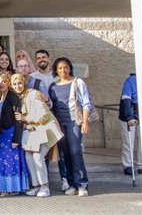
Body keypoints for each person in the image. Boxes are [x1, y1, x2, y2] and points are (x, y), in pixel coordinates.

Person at [12, 73, 63, 198]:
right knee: (29, 156)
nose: (18, 86)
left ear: (24, 82)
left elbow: (44, 115)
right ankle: (36, 186)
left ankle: (45, 186)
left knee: (38, 156)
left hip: (46, 130)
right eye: (14, 84)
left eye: (19, 83)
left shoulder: (33, 94)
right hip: (35, 132)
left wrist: (26, 118)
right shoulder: (19, 98)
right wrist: (26, 122)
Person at [48, 57, 92, 197]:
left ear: (70, 68)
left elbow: (86, 103)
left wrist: (85, 122)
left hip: (74, 121)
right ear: (56, 70)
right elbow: (51, 107)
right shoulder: (53, 87)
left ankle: (82, 184)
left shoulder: (78, 82)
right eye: (60, 68)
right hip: (60, 124)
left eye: (65, 67)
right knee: (64, 154)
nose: (63, 70)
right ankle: (71, 184)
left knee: (75, 151)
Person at [0, 71, 29, 195]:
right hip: (2, 133)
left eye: (4, 81)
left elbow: (19, 119)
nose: (1, 84)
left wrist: (16, 139)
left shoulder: (13, 97)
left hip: (12, 132)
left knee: (8, 160)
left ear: (8, 82)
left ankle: (11, 188)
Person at [119, 73, 142, 176]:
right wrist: (129, 117)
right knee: (129, 141)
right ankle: (128, 165)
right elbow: (126, 100)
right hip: (129, 115)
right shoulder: (130, 81)